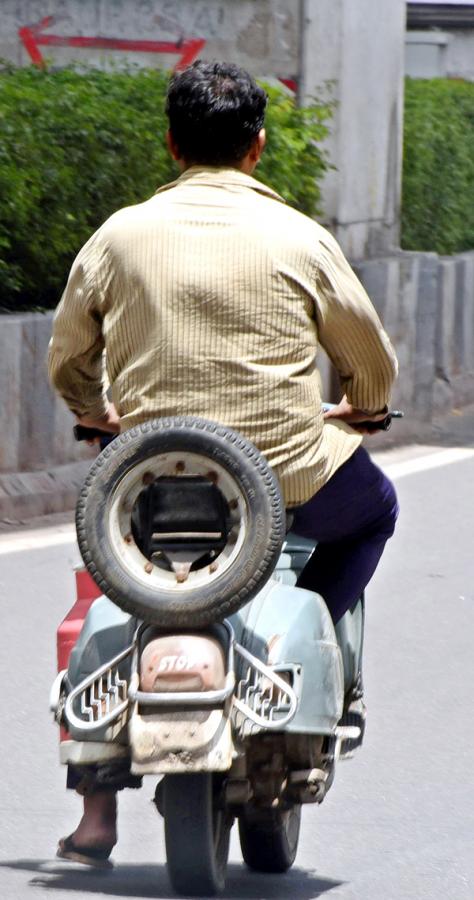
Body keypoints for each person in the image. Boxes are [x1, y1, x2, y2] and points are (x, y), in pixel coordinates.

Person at [48, 60, 398, 866]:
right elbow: (367, 357)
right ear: (258, 148)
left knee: (105, 592)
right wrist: (364, 406)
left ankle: (96, 816)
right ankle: (310, 653)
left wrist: (98, 417)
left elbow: (69, 358)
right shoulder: (301, 237)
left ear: (172, 144)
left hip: (145, 482)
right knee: (374, 512)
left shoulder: (119, 234)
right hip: (290, 482)